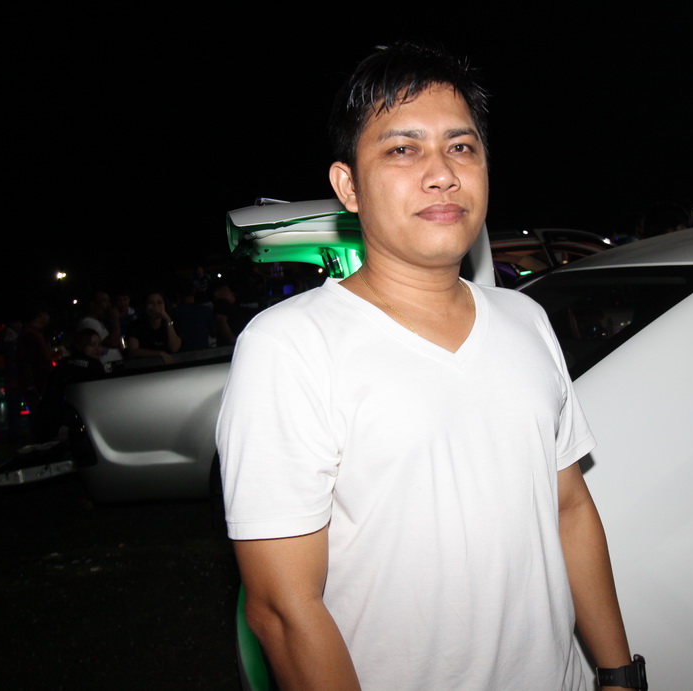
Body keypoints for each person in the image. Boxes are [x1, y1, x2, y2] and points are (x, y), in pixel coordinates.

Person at [216, 43, 640, 690]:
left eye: (461, 147)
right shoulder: (290, 346)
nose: (442, 173)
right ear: (348, 186)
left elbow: (570, 506)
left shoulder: (524, 320)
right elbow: (282, 608)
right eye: (402, 150)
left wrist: (618, 673)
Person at [126, 292, 181, 363]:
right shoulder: (136, 325)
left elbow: (174, 348)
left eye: (159, 303)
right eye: (151, 303)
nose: (155, 306)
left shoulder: (174, 323)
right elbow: (133, 351)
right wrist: (159, 354)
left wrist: (168, 320)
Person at [77, 290, 123, 368]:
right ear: (93, 305)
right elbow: (112, 343)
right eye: (104, 301)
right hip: (104, 368)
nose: (108, 305)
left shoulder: (98, 322)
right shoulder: (88, 322)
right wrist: (115, 319)